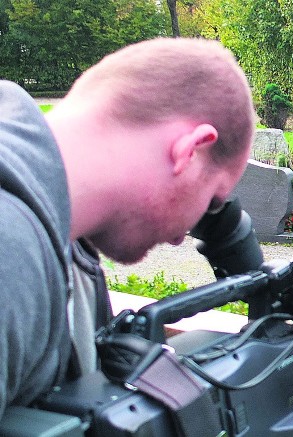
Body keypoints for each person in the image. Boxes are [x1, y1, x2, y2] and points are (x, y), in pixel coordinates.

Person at [0, 37, 255, 418]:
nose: (178, 237)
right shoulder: (11, 251)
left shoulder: (69, 248)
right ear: (191, 149)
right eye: (210, 202)